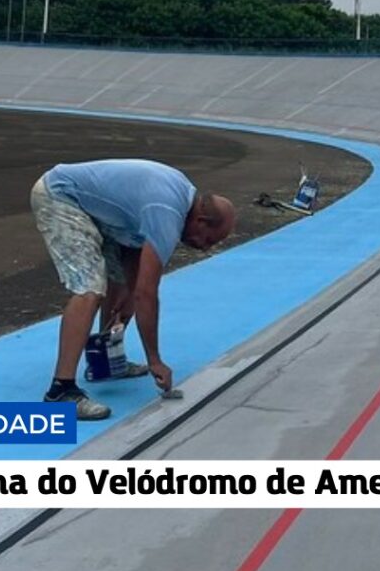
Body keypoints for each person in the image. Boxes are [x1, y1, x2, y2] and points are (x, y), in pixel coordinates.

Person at [31, 159, 236, 420]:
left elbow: (133, 246)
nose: (205, 248)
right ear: (201, 220)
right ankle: (60, 391)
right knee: (90, 288)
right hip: (61, 196)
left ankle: (104, 363)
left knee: (120, 286)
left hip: (96, 209)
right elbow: (146, 294)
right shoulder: (167, 212)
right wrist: (155, 360)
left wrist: (129, 289)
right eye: (208, 240)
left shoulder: (182, 198)